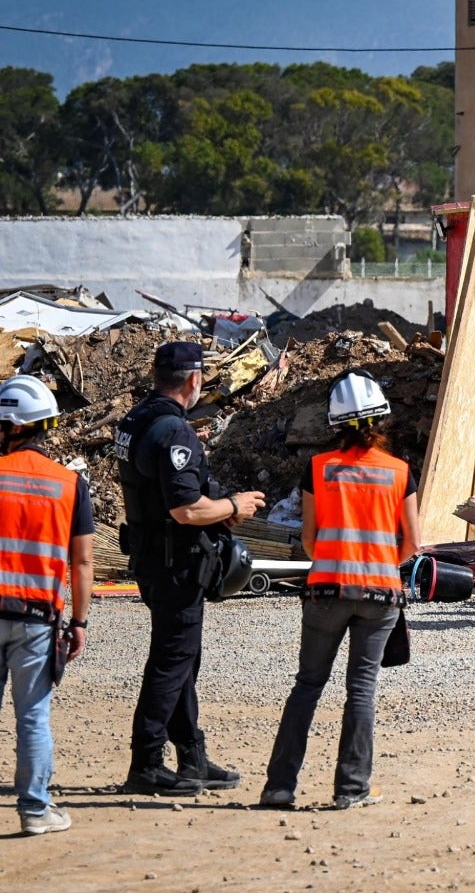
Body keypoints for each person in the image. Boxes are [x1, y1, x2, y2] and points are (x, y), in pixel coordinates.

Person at [261, 369, 419, 811]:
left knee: (308, 685)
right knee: (361, 688)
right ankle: (351, 789)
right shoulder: (399, 472)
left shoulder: (318, 468)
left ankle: (279, 788)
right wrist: (380, 563)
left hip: (326, 592)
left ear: (334, 423)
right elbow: (413, 542)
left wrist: (336, 557)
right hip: (379, 595)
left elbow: (309, 539)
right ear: (381, 419)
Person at [114, 341, 266, 796]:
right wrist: (233, 506)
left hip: (152, 557)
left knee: (182, 656)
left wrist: (218, 509)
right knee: (172, 659)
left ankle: (192, 757)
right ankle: (146, 763)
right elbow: (184, 509)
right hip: (175, 563)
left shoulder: (135, 420)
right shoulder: (173, 430)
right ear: (195, 380)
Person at [0, 375, 93, 835]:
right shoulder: (70, 484)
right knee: (33, 718)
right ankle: (35, 810)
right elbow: (83, 561)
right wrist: (79, 621)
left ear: (12, 426)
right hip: (37, 621)